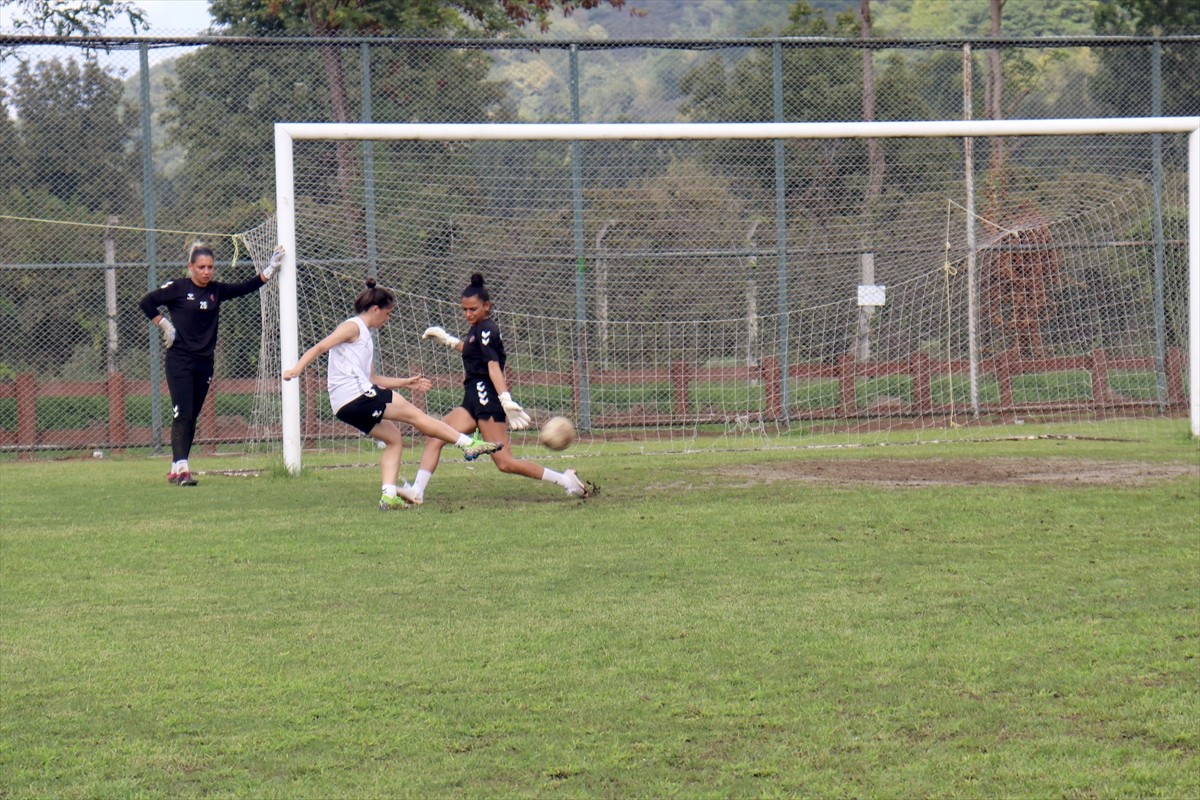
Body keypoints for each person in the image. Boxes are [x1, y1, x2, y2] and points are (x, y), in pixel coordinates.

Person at [282, 278, 504, 511]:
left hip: (343, 405)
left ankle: (388, 496)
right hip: (357, 395)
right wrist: (297, 369)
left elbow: (373, 379)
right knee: (416, 416)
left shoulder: (365, 337)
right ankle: (468, 444)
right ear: (375, 309)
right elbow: (321, 347)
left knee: (394, 439)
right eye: (387, 314)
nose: (388, 319)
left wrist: (405, 383)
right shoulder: (353, 326)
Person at [412, 273, 595, 503]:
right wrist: (448, 341)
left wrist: (505, 399)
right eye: (465, 309)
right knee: (435, 437)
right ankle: (416, 492)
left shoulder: (487, 329)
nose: (468, 314)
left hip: (486, 398)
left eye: (473, 309)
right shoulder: (476, 328)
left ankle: (565, 480)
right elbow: (472, 352)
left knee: (505, 463)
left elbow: (492, 366)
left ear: (487, 306)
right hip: (472, 398)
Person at [139, 241, 284, 487]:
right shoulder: (178, 288)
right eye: (201, 267)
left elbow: (244, 287)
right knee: (181, 412)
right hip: (180, 360)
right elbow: (146, 302)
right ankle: (184, 469)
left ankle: (176, 468)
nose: (206, 271)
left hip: (204, 363)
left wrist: (269, 269)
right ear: (191, 267)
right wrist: (164, 325)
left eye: (210, 267)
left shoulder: (216, 291)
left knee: (191, 415)